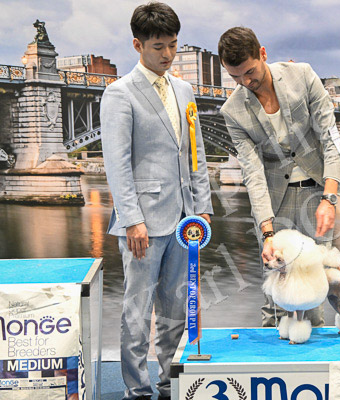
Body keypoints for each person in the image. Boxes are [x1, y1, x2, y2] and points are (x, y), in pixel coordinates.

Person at [100, 3, 212, 399]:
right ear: (138, 45)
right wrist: (131, 219)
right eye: (158, 46)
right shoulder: (118, 94)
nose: (168, 55)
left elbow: (195, 153)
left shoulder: (185, 90)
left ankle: (170, 383)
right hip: (142, 224)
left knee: (176, 308)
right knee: (137, 310)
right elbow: (116, 164)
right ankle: (137, 390)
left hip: (185, 220)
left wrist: (203, 206)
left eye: (173, 45)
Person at [218, 27, 340, 327]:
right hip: (274, 200)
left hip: (317, 193)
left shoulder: (303, 76)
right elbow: (253, 173)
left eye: (250, 72)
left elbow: (330, 139)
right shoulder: (232, 111)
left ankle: (314, 345)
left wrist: (329, 199)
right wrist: (267, 232)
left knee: (315, 286)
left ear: (263, 53)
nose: (245, 83)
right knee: (275, 291)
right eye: (235, 77)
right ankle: (273, 348)